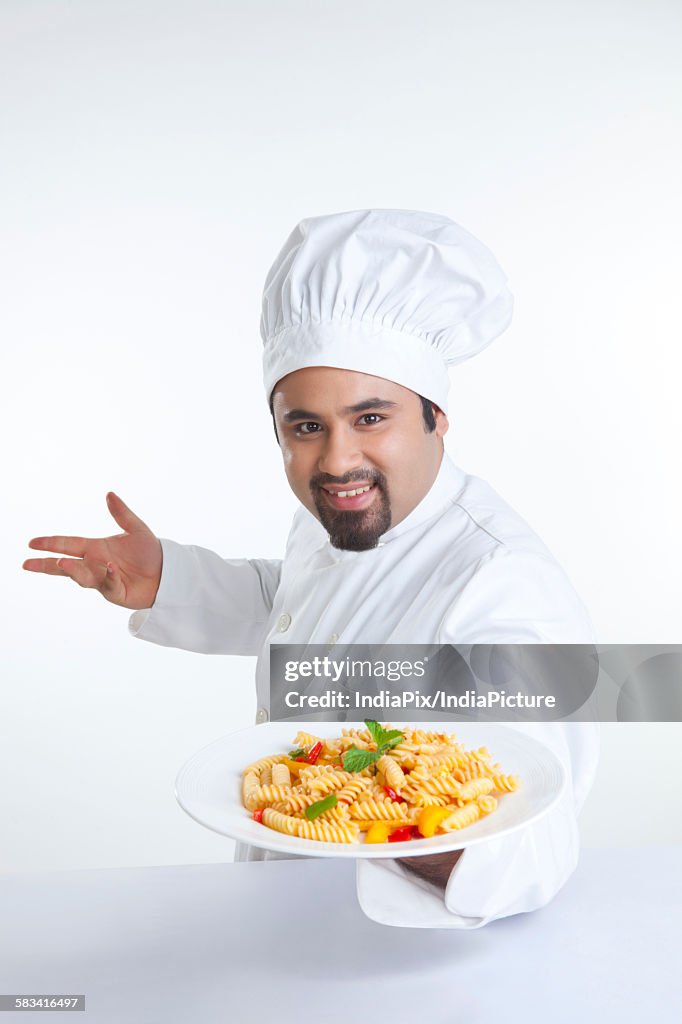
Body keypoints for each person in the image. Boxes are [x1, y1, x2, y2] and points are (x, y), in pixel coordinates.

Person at [23, 209, 599, 929]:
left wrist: (366, 810)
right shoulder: (349, 515)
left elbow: (536, 840)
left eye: (370, 418)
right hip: (278, 918)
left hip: (396, 957)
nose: (335, 461)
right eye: (306, 427)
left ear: (436, 415)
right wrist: (167, 578)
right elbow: (303, 603)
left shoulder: (505, 584)